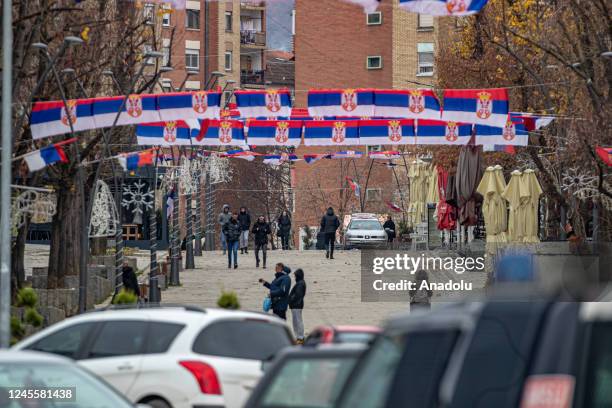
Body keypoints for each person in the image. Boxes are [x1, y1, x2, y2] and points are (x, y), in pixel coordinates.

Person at [289, 268, 307, 344]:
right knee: (296, 321)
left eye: (295, 276)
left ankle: (300, 337)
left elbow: (297, 295)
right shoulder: (300, 282)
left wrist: (290, 300)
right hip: (296, 305)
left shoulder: (300, 283)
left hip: (296, 305)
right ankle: (298, 336)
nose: (295, 277)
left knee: (298, 321)